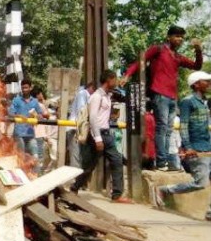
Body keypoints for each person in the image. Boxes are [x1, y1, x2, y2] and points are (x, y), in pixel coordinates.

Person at [122, 26, 203, 171]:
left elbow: (197, 66)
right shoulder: (158, 49)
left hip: (172, 97)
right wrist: (127, 74)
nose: (180, 39)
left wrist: (198, 50)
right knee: (162, 127)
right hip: (159, 94)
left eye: (182, 37)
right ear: (169, 37)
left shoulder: (177, 57)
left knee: (168, 130)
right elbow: (141, 60)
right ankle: (161, 162)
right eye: (177, 36)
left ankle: (164, 161)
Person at [152, 71, 211, 221]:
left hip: (207, 146)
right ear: (196, 84)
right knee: (201, 183)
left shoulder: (203, 102)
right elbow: (183, 126)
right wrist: (188, 147)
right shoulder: (188, 102)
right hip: (196, 148)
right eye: (206, 81)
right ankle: (164, 190)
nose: (209, 83)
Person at [71, 70, 132, 204]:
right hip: (97, 135)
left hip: (106, 134)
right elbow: (92, 118)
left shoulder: (107, 96)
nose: (115, 82)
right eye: (114, 79)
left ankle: (116, 195)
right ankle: (74, 187)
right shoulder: (96, 97)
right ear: (108, 80)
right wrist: (97, 138)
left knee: (116, 160)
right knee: (89, 165)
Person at [9, 79, 45, 173]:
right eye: (23, 87)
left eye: (26, 87)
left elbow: (41, 115)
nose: (24, 89)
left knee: (35, 156)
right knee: (21, 157)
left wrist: (37, 116)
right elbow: (11, 113)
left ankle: (35, 176)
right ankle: (21, 177)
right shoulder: (16, 100)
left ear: (30, 88)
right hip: (19, 134)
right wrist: (19, 116)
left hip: (30, 134)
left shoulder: (35, 102)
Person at [67, 82, 96, 167]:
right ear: (91, 87)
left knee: (81, 156)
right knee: (76, 156)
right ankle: (76, 178)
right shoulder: (83, 93)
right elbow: (82, 111)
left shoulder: (87, 96)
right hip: (75, 129)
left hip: (82, 129)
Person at [31, 86, 49, 174]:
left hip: (32, 134)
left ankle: (34, 174)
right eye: (41, 93)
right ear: (37, 95)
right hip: (40, 133)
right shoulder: (40, 105)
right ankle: (38, 174)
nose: (42, 95)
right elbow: (47, 115)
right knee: (40, 156)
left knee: (34, 155)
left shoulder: (30, 105)